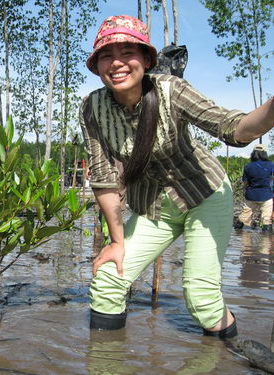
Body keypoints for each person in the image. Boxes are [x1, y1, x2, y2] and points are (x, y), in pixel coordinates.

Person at [80, 15, 274, 338]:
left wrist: (271, 109)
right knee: (108, 280)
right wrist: (116, 242)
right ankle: (104, 361)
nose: (116, 63)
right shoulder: (92, 108)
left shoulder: (171, 90)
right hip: (154, 208)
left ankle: (227, 355)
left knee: (202, 300)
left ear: (145, 59)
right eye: (106, 55)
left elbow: (230, 126)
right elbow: (103, 178)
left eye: (128, 52)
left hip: (204, 194)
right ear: (97, 65)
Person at [235, 144, 273, 232]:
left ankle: (239, 240)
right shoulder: (271, 165)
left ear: (253, 153)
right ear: (264, 153)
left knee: (243, 218)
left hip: (251, 195)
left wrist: (245, 189)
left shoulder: (248, 166)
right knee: (266, 220)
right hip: (266, 195)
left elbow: (245, 183)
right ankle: (266, 244)